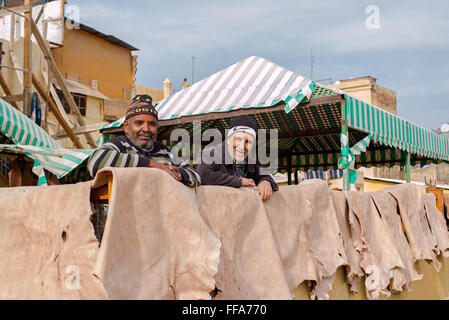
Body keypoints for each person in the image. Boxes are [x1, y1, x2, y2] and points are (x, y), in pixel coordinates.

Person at [87, 94, 200, 187]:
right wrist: (153, 165)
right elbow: (95, 161)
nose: (146, 129)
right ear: (126, 126)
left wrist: (180, 173)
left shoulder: (165, 151)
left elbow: (197, 176)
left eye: (152, 124)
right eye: (139, 123)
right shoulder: (119, 145)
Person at [197, 115, 278, 201]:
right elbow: (202, 175)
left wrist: (266, 181)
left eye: (248, 142)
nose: (242, 147)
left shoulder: (250, 160)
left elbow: (262, 175)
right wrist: (239, 181)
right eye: (238, 139)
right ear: (228, 139)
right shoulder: (211, 154)